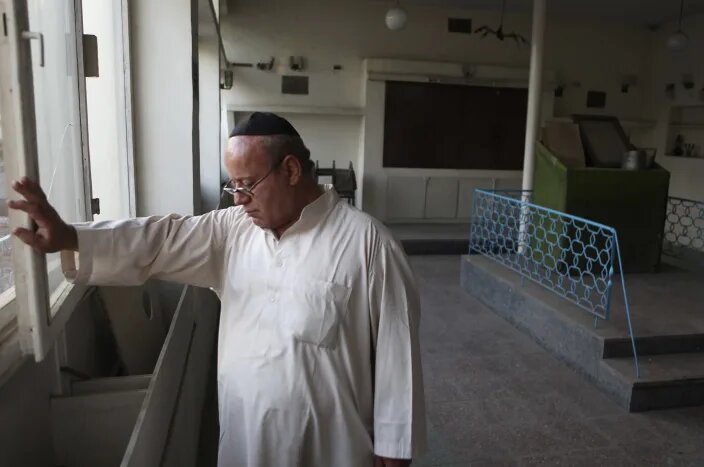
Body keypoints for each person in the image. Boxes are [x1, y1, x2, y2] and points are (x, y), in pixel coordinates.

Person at [9, 112, 426, 467]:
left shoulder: (367, 243)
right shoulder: (231, 232)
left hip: (328, 446)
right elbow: (160, 239)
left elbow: (397, 348)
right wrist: (71, 237)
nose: (238, 199)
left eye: (247, 184)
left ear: (291, 170)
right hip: (246, 438)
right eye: (233, 186)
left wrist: (395, 446)